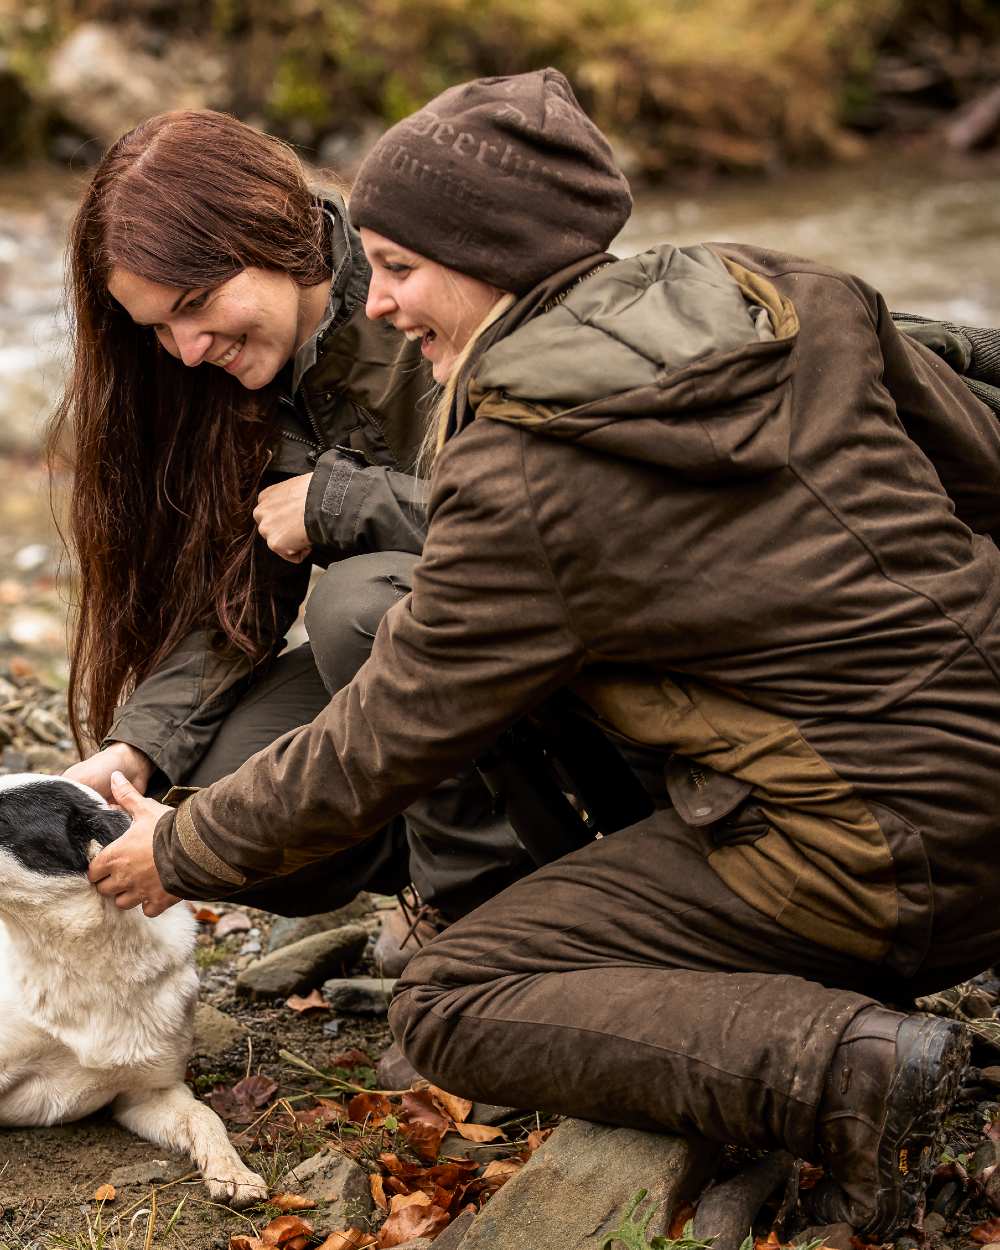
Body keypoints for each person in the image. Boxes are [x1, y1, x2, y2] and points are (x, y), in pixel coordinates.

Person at [87, 70, 1000, 1238]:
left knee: (452, 996)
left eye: (403, 271)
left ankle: (852, 1065)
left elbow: (392, 729)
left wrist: (186, 847)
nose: (380, 304)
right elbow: (979, 464)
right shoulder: (784, 287)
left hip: (874, 858)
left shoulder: (518, 461)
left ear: (493, 255)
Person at [51, 107, 529, 937]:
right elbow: (239, 599)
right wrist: (140, 749)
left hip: (564, 655)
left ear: (272, 233)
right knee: (215, 780)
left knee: (358, 608)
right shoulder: (238, 375)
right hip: (467, 671)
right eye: (157, 327)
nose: (188, 348)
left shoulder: (429, 294)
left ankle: (490, 924)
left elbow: (559, 524)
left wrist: (338, 503)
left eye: (197, 304)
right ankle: (450, 871)